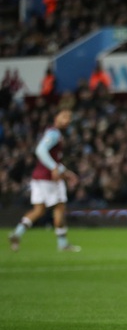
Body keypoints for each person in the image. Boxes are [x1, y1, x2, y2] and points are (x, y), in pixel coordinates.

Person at [9, 102, 80, 252]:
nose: (67, 120)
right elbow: (40, 150)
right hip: (49, 180)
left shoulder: (54, 133)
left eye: (69, 117)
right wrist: (55, 168)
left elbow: (51, 158)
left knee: (39, 210)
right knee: (59, 208)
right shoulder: (54, 133)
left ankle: (17, 233)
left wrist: (66, 172)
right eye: (64, 116)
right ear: (56, 117)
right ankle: (63, 244)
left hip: (38, 178)